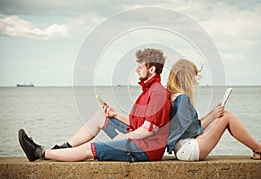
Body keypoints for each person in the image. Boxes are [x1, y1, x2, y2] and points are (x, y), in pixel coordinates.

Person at [18, 48, 171, 162]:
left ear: (152, 69)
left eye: (141, 66)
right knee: (100, 117)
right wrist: (115, 115)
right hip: (139, 139)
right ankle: (64, 148)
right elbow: (139, 123)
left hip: (145, 150)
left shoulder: (157, 93)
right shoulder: (148, 91)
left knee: (89, 149)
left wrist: (124, 138)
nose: (137, 69)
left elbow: (147, 130)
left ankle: (40, 152)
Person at [166, 59, 261, 161]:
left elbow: (189, 127)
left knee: (224, 115)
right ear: (187, 78)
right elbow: (191, 130)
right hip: (188, 150)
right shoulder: (182, 99)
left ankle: (258, 150)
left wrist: (213, 116)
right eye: (193, 78)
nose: (194, 82)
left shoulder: (175, 96)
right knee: (227, 116)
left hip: (183, 148)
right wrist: (212, 116)